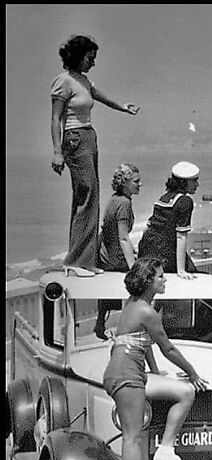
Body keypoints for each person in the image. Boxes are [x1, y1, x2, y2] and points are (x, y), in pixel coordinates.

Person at [102, 257, 209, 460]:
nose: (165, 279)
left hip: (132, 372)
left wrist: (155, 372)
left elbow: (144, 344)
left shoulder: (135, 304)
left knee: (185, 393)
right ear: (148, 281)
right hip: (125, 375)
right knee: (132, 437)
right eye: (160, 276)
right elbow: (167, 348)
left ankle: (165, 449)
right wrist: (193, 372)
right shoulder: (146, 312)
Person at [50, 34, 140, 277]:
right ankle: (75, 262)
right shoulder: (63, 81)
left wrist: (123, 107)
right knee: (86, 196)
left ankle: (85, 260)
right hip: (75, 138)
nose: (94, 62)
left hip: (88, 136)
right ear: (79, 56)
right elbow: (56, 118)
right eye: (91, 57)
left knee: (89, 198)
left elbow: (101, 97)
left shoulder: (83, 80)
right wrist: (57, 151)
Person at [93, 163, 142, 339]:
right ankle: (134, 326)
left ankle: (100, 322)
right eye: (136, 181)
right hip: (114, 259)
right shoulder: (124, 203)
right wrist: (133, 267)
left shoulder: (114, 199)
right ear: (126, 183)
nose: (139, 184)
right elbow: (123, 237)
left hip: (104, 256)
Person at [138, 162, 200, 279]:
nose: (197, 184)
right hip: (165, 253)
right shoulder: (185, 201)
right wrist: (181, 270)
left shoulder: (164, 198)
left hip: (148, 250)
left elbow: (148, 228)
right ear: (184, 182)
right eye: (194, 180)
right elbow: (181, 236)